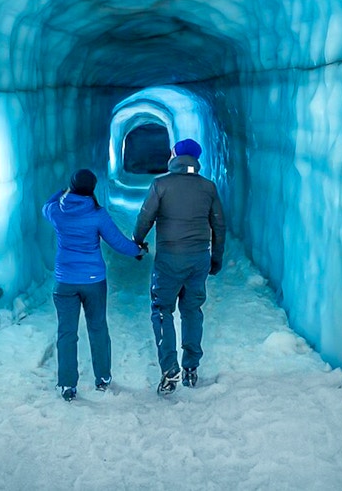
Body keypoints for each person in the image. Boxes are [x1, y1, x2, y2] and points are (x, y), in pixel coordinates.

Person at [42, 168, 145, 402]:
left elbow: (46, 205)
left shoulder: (57, 211)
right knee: (97, 327)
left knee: (66, 333)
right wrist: (137, 250)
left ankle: (67, 384)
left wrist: (63, 191)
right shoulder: (98, 214)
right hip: (93, 280)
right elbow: (118, 241)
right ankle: (103, 377)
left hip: (65, 281)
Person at [133, 138, 226, 395]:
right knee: (192, 310)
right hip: (198, 259)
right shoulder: (208, 187)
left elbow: (145, 217)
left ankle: (169, 367)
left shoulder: (161, 185)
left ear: (175, 155)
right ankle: (191, 367)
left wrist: (137, 243)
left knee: (162, 309)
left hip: (169, 259)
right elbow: (219, 225)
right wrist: (216, 257)